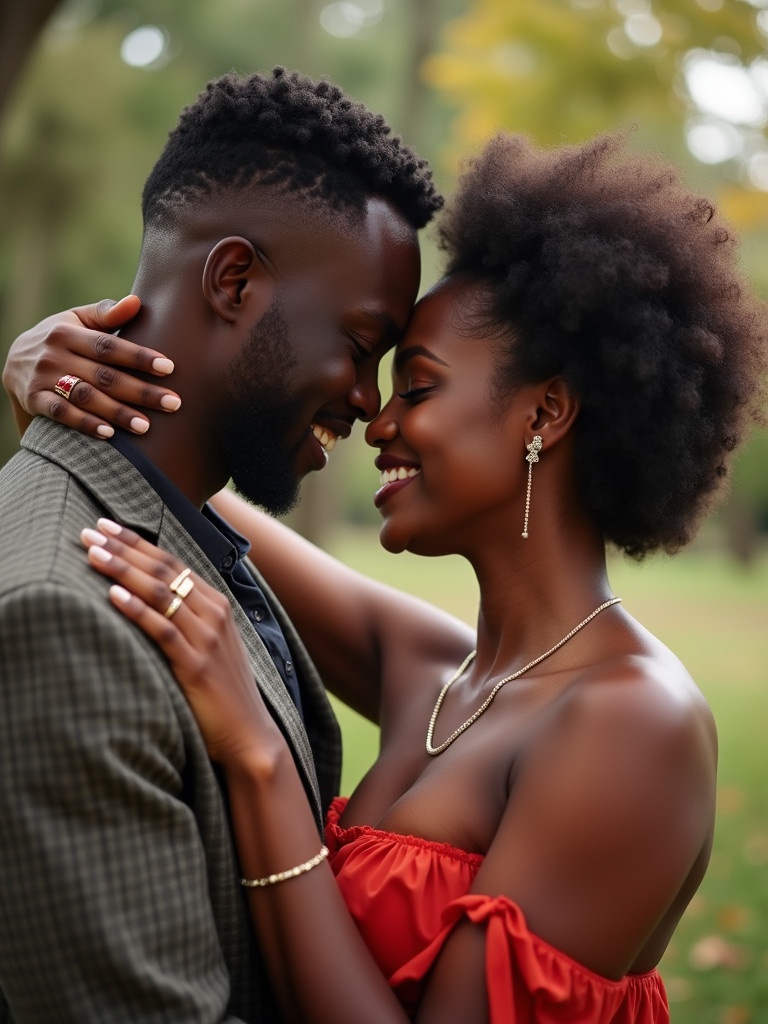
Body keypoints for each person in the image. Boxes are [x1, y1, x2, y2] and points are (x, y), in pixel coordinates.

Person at [8, 130, 767, 1022]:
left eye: (420, 385)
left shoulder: (634, 725)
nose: (377, 420)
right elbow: (181, 478)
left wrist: (258, 761)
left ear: (546, 412)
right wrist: (52, 376)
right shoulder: (439, 673)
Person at [0, 66, 442, 1023]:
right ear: (234, 280)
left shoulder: (173, 524)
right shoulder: (57, 617)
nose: (368, 404)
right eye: (363, 346)